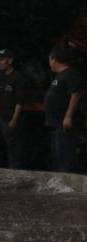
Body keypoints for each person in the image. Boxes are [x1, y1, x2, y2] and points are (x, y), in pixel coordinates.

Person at [45, 42, 83, 173]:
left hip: (64, 123)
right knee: (58, 155)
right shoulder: (59, 76)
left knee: (65, 155)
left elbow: (76, 94)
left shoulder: (71, 73)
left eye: (50, 59)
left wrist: (68, 116)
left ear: (54, 59)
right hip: (56, 123)